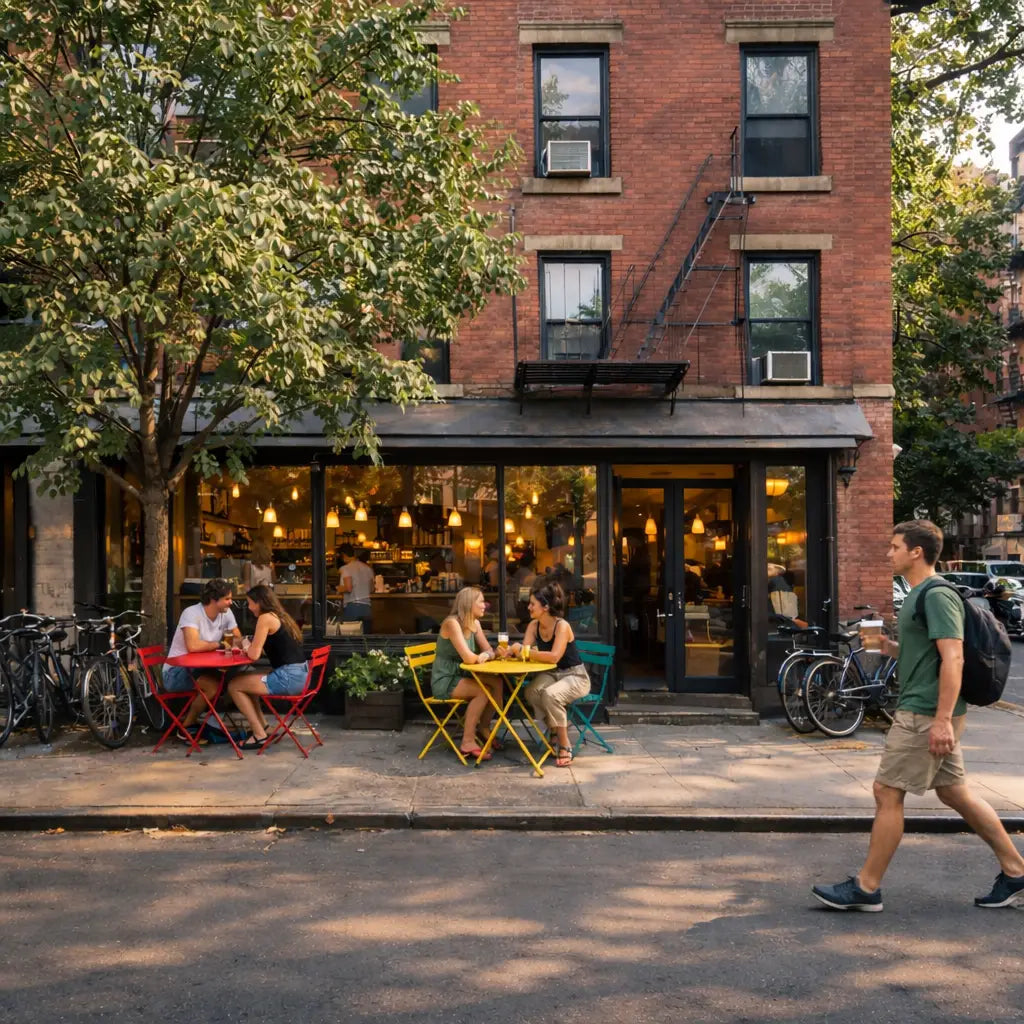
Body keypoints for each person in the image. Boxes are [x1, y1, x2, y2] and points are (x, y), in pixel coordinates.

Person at [812, 519, 1024, 912]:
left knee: (887, 792)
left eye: (894, 546)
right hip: (926, 708)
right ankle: (1016, 872)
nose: (888, 553)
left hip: (925, 712)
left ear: (916, 552)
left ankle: (866, 887)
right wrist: (888, 647)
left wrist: (942, 719)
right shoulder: (915, 595)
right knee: (953, 792)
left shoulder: (935, 595)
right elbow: (924, 654)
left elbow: (953, 657)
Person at [511, 581, 590, 768]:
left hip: (575, 676)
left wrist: (524, 651)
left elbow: (554, 656)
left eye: (532, 604)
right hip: (553, 674)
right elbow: (526, 654)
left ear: (545, 607)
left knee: (551, 695)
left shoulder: (562, 626)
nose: (528, 607)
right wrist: (510, 652)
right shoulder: (533, 625)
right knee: (531, 691)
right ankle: (555, 727)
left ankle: (564, 744)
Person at [227, 584, 308, 750]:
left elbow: (254, 655)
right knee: (246, 679)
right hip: (300, 674)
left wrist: (243, 643)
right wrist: (251, 645)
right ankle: (263, 726)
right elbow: (266, 648)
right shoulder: (280, 616)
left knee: (234, 685)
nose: (249, 608)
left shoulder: (265, 618)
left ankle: (258, 735)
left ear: (259, 603)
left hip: (289, 677)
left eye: (250, 603)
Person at [164, 577, 242, 741]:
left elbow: (238, 638)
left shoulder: (226, 613)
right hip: (176, 672)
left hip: (205, 667)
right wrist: (220, 644)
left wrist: (233, 642)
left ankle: (207, 721)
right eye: (227, 599)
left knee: (236, 679)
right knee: (213, 687)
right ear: (214, 600)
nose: (230, 602)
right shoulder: (192, 613)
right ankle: (186, 726)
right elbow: (193, 646)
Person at [431, 587, 502, 760]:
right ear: (469, 604)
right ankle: (467, 741)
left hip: (464, 674)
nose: (485, 605)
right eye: (481, 602)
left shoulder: (475, 623)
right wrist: (486, 655)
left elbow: (488, 650)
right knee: (482, 691)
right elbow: (469, 658)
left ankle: (483, 727)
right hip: (446, 678)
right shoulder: (452, 623)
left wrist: (489, 654)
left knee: (497, 682)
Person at [338, 542, 375, 629]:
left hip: (353, 607)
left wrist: (338, 588)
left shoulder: (345, 569)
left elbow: (348, 588)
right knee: (365, 639)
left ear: (343, 555)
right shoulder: (368, 568)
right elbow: (371, 589)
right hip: (367, 608)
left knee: (350, 638)